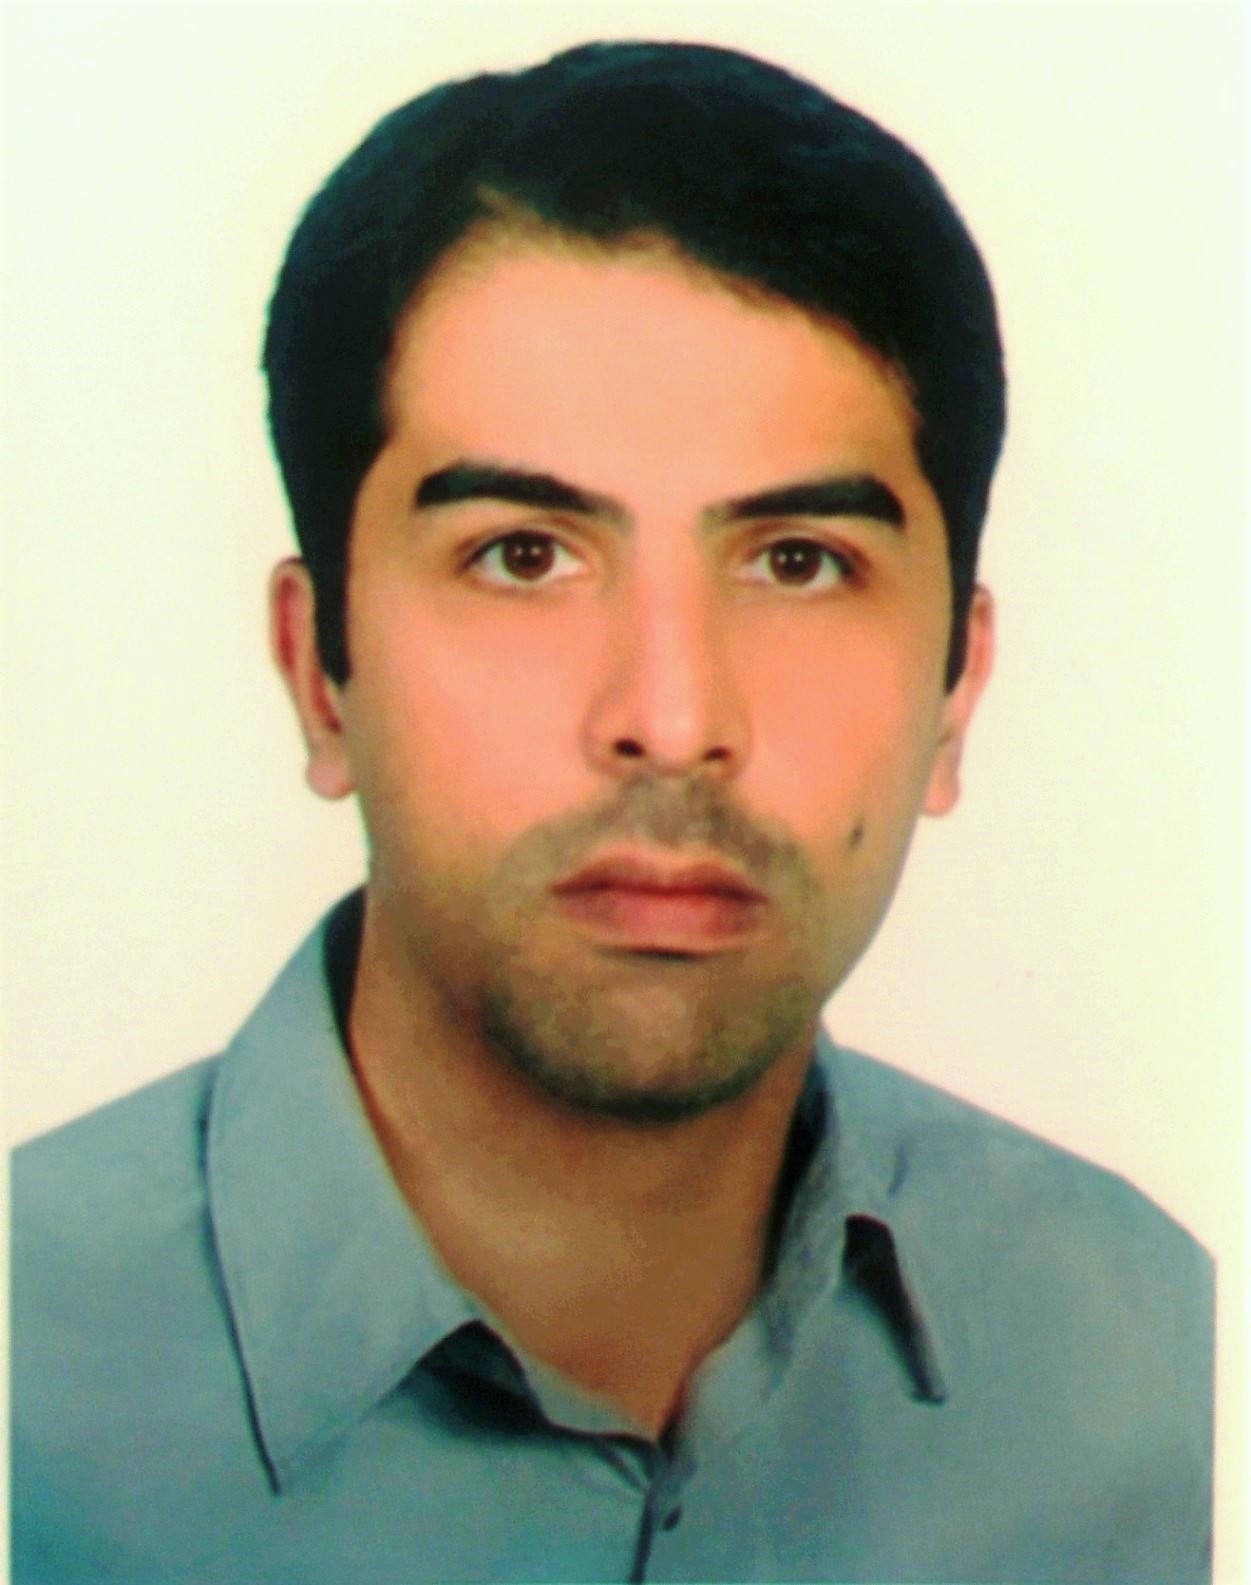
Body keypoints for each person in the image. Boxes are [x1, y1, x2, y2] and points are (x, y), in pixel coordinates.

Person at [10, 39, 1213, 1585]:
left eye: (798, 562)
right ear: (320, 673)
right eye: (524, 555)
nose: (674, 716)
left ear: (955, 692)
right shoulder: (32, 1396)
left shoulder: (1164, 1374)